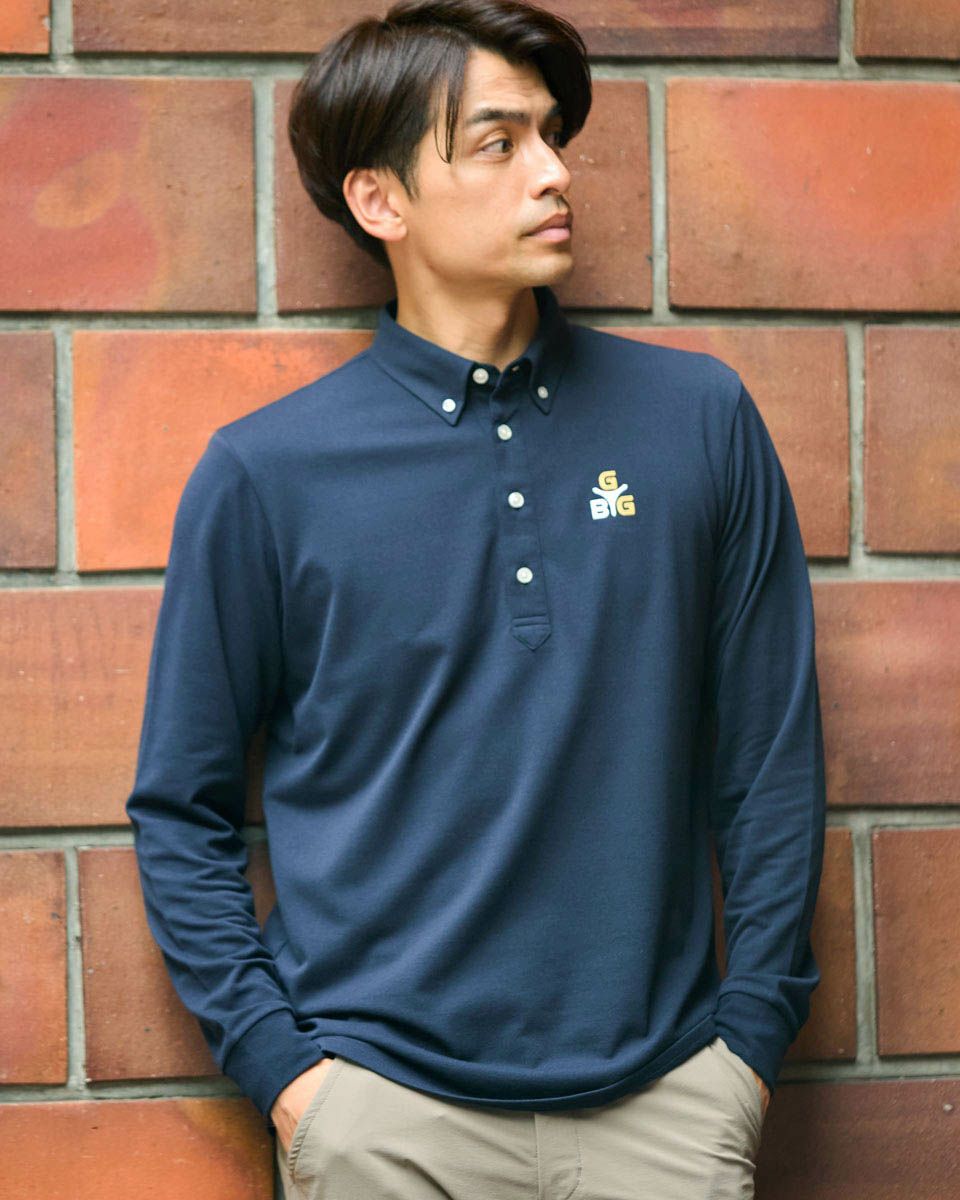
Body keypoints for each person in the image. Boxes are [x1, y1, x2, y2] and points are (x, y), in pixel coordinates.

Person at [125, 1, 827, 1196]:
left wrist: (747, 1048)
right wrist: (292, 1080)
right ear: (379, 201)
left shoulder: (699, 421)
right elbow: (179, 809)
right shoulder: (266, 475)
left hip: (666, 1109)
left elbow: (771, 763)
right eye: (499, 143)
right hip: (382, 1120)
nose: (554, 172)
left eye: (552, 136)